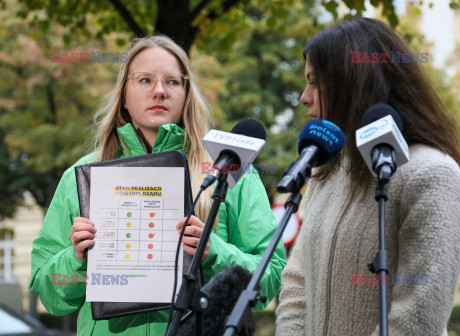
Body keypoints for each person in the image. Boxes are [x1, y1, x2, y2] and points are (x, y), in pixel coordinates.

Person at [30, 35, 286, 335]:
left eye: (173, 82)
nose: (160, 91)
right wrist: (76, 258)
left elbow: (272, 277)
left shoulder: (229, 169)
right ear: (123, 95)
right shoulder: (84, 176)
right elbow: (49, 293)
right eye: (145, 80)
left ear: (187, 92)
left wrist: (214, 252)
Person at [275, 17, 460, 336]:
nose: (303, 97)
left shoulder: (431, 173)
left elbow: (417, 317)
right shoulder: (327, 173)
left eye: (314, 82)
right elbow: (297, 285)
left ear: (351, 84)